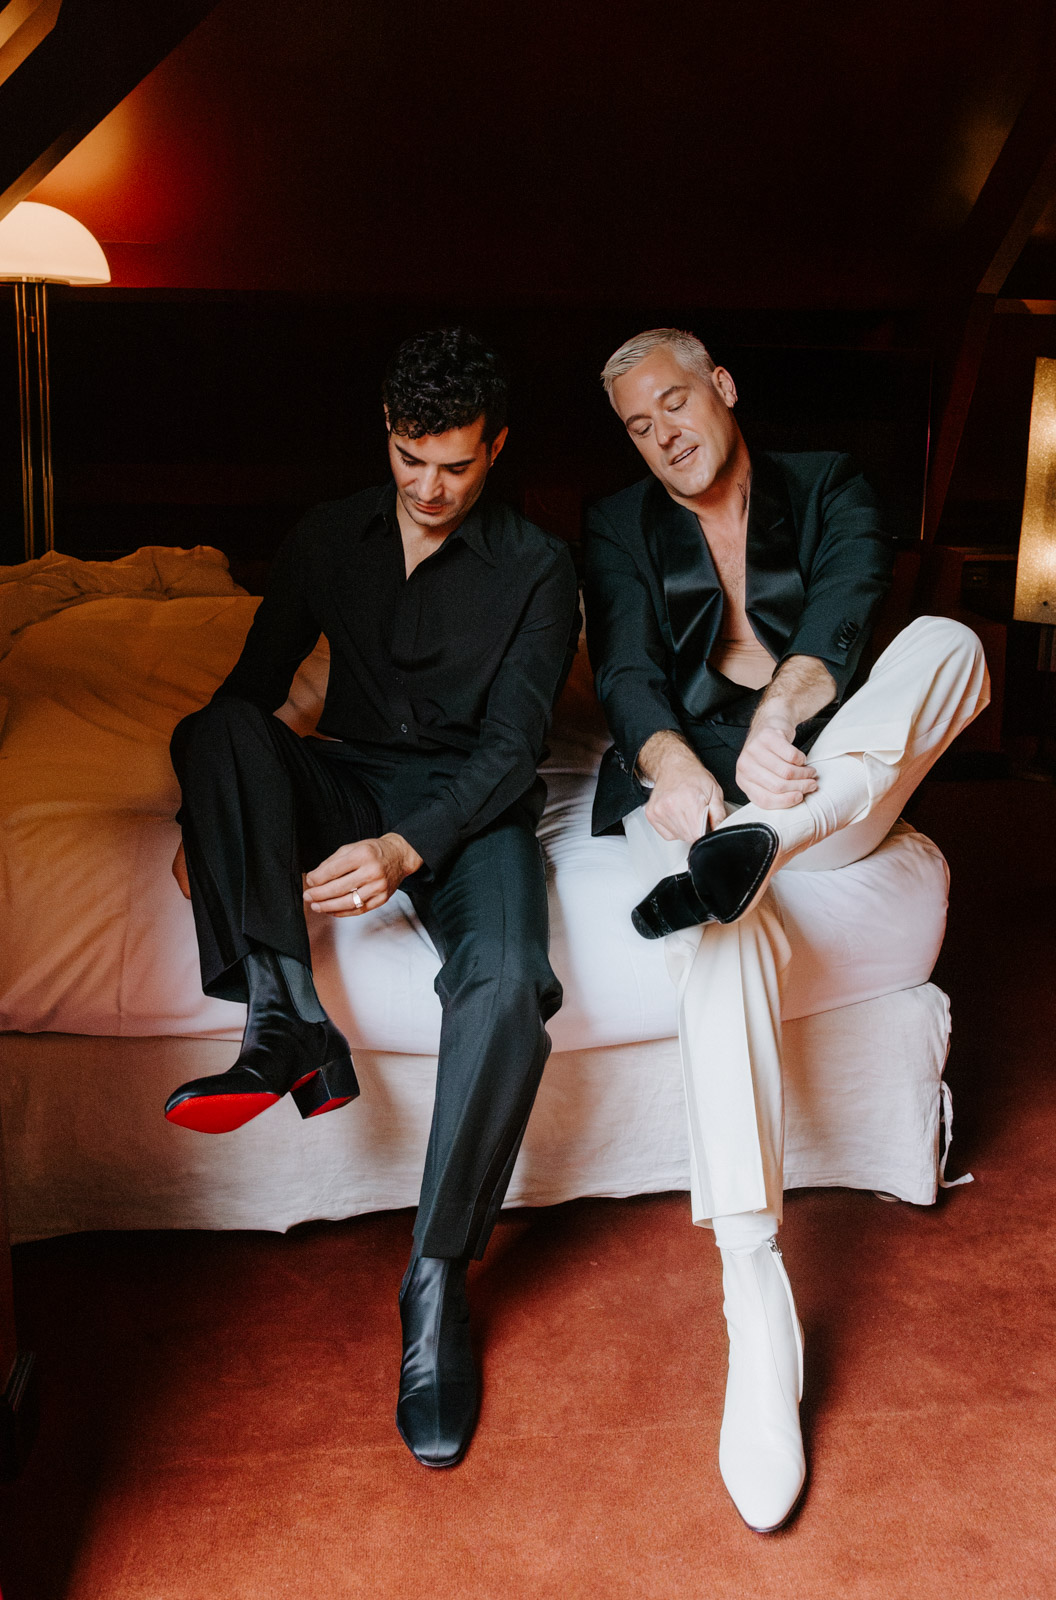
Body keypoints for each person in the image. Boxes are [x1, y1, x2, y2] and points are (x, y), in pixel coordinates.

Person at [583, 327, 989, 1532]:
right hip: (698, 799)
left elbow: (851, 608)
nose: (662, 435)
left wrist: (779, 718)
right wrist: (669, 764)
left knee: (951, 646)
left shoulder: (827, 483)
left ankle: (766, 842)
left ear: (721, 386)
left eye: (673, 402)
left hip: (821, 779)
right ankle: (752, 1296)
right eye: (637, 426)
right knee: (722, 932)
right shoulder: (617, 524)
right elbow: (624, 672)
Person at [165, 327, 579, 1470]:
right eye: (409, 458)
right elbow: (247, 699)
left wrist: (404, 849)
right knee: (212, 735)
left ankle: (435, 1280)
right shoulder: (324, 535)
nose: (429, 488)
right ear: (385, 434)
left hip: (467, 809)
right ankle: (283, 1014)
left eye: (454, 464)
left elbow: (513, 749)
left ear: (496, 447)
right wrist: (213, 819)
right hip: (343, 775)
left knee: (508, 985)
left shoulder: (540, 567)